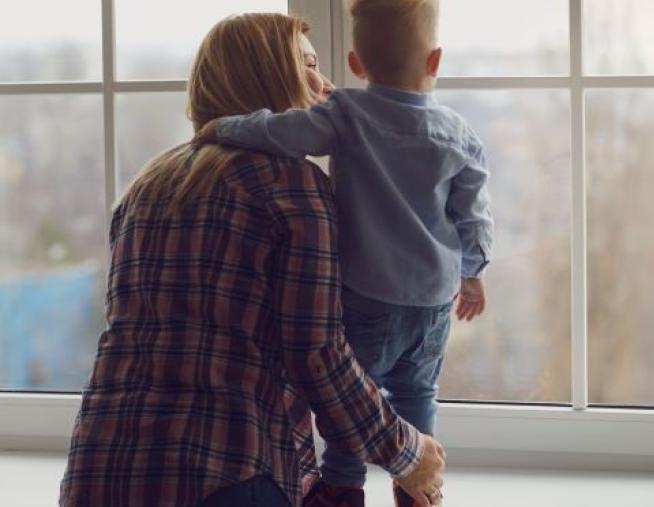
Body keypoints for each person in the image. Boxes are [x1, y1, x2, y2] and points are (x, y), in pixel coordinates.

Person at [59, 13, 445, 507]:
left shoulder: (149, 185)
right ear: (269, 79)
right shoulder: (292, 185)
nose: (327, 86)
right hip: (222, 472)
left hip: (96, 470)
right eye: (307, 65)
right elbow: (317, 354)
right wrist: (409, 453)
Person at [195, 0, 494, 504]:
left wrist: (222, 127)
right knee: (418, 393)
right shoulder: (459, 134)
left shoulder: (347, 115)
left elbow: (278, 131)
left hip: (369, 295)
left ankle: (342, 485)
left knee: (353, 392)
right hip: (433, 302)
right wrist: (474, 271)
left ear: (355, 63)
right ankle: (416, 488)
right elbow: (474, 214)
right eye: (308, 64)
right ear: (435, 61)